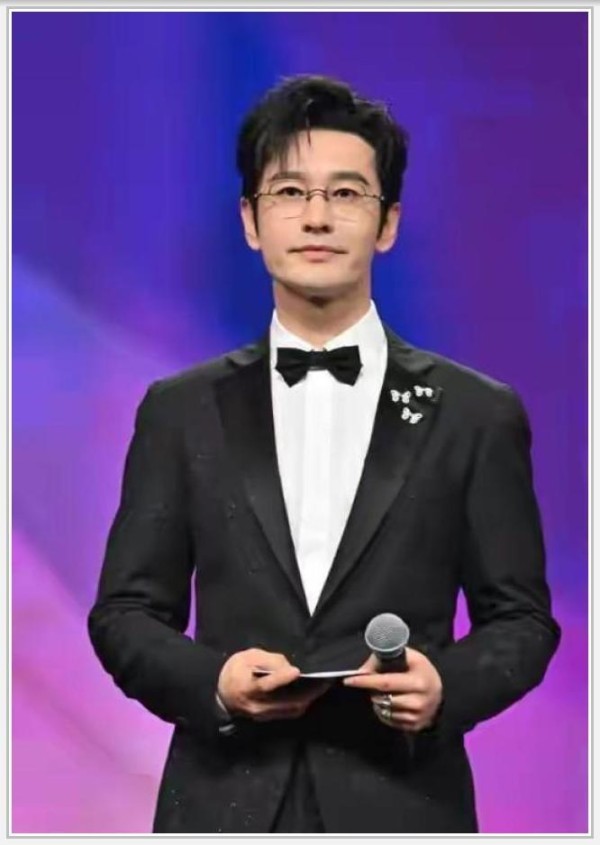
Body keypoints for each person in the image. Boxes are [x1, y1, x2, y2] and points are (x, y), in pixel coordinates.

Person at [88, 74, 561, 834]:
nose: (316, 216)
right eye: (289, 192)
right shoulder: (179, 410)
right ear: (251, 220)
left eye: (346, 193)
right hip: (222, 804)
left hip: (404, 803)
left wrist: (446, 686)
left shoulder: (476, 412)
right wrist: (216, 680)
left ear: (388, 222)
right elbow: (126, 612)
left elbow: (522, 620)